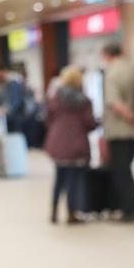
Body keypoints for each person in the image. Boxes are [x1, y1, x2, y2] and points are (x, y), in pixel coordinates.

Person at [44, 65, 98, 225]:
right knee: (74, 180)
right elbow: (90, 123)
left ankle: (53, 212)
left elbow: (48, 118)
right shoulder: (84, 101)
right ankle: (71, 213)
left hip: (57, 142)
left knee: (59, 178)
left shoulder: (55, 98)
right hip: (77, 143)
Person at [100, 42, 134, 222]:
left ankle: (128, 209)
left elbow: (114, 102)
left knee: (120, 171)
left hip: (119, 129)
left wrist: (131, 117)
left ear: (107, 55)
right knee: (127, 168)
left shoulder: (112, 73)